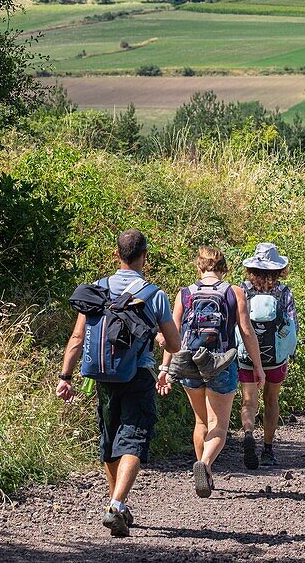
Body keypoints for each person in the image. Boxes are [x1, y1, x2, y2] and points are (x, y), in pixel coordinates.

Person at [56, 229, 181, 538]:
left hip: (101, 376)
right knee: (135, 438)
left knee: (111, 440)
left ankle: (117, 505)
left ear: (117, 255)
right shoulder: (154, 294)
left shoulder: (97, 290)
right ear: (144, 257)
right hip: (137, 374)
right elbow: (175, 344)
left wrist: (65, 377)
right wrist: (157, 334)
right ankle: (116, 505)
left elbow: (77, 337)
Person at [157, 247, 265, 497]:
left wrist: (165, 367)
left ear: (199, 267)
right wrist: (257, 366)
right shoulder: (234, 292)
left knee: (201, 421)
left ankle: (205, 473)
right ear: (224, 268)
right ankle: (204, 465)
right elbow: (247, 331)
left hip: (189, 362)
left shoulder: (185, 293)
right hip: (221, 363)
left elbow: (173, 333)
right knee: (219, 426)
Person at [237, 243, 297, 469]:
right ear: (278, 269)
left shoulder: (243, 290)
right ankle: (268, 449)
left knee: (249, 400)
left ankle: (249, 433)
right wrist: (289, 353)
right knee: (272, 400)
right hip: (275, 358)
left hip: (247, 356)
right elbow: (292, 326)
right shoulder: (284, 292)